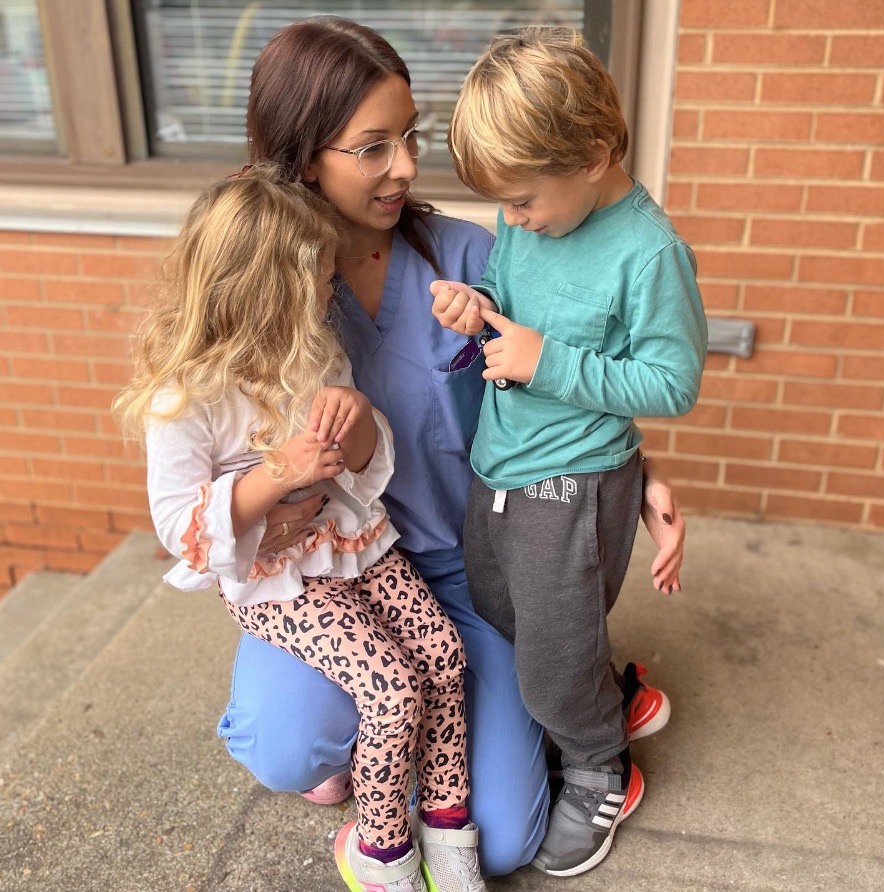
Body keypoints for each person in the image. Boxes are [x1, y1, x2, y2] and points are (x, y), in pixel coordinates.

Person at [213, 16, 686, 880]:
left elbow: (567, 376)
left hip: (472, 569)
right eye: (371, 147)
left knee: (503, 843)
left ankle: (577, 701)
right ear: (300, 157)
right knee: (285, 750)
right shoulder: (264, 286)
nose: (404, 166)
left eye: (410, 138)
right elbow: (199, 437)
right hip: (331, 581)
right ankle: (389, 743)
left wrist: (636, 469)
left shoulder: (478, 255)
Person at [113, 167, 488, 892]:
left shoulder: (312, 349)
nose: (330, 290)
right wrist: (272, 477)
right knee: (391, 689)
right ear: (268, 294)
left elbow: (362, 459)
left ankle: (447, 823)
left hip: (355, 545)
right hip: (277, 580)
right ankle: (380, 852)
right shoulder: (186, 397)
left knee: (442, 654)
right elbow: (177, 528)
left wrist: (355, 435)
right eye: (318, 279)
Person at [429, 27, 708, 877]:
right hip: (500, 464)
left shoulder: (649, 252)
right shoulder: (533, 219)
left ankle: (598, 769)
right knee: (507, 612)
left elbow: (672, 384)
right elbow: (519, 302)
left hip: (575, 480)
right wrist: (480, 307)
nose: (511, 222)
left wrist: (551, 361)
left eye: (522, 202)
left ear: (593, 154)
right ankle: (615, 695)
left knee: (546, 668)